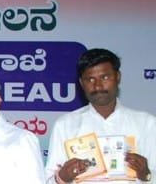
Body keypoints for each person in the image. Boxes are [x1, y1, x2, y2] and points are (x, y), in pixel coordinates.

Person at [45, 49, 155, 183]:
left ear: (118, 77)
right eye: (90, 79)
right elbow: (48, 179)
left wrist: (147, 175)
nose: (98, 86)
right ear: (81, 83)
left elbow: (152, 174)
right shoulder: (65, 125)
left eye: (105, 77)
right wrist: (61, 178)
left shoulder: (146, 123)